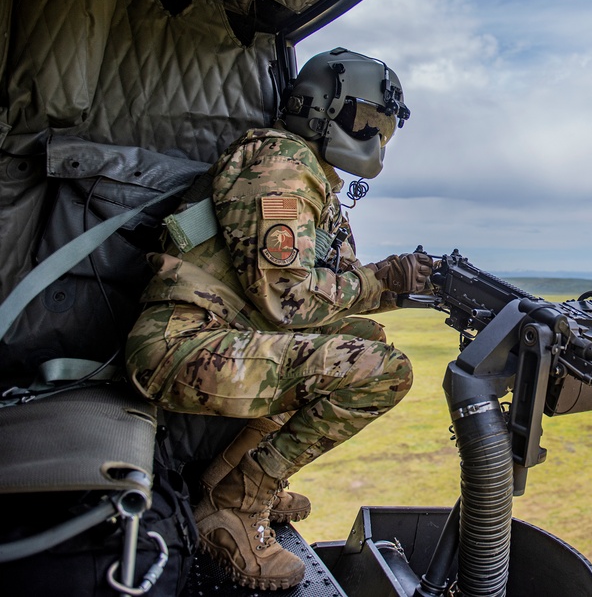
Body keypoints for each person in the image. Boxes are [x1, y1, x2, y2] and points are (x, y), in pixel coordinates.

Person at [125, 48, 432, 591]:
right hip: (181, 346)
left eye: (384, 127)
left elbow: (328, 294)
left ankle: (235, 476)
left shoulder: (309, 174)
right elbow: (288, 304)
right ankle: (234, 503)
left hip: (222, 336)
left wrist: (402, 287)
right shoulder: (280, 165)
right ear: (321, 109)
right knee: (384, 370)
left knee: (364, 339)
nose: (376, 137)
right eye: (368, 121)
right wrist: (385, 278)